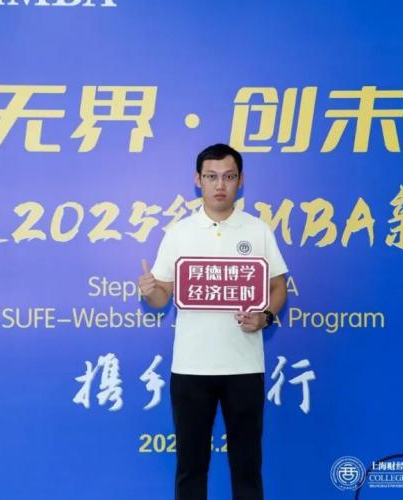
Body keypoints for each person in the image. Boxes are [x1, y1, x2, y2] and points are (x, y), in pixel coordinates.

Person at [139, 143, 288, 500]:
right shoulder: (179, 233)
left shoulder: (257, 230)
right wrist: (150, 291)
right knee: (191, 468)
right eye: (211, 176)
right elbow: (162, 297)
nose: (220, 185)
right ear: (198, 180)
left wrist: (266, 316)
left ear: (240, 180)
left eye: (228, 176)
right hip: (191, 367)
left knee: (247, 467)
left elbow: (278, 287)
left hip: (244, 367)